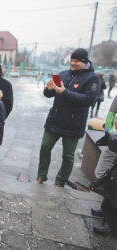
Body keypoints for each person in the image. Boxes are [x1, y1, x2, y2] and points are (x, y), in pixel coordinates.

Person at [35, 48, 100, 187]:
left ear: (85, 62)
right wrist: (49, 88)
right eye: (72, 60)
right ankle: (41, 175)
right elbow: (48, 94)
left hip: (73, 124)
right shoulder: (63, 74)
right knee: (45, 147)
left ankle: (60, 180)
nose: (73, 63)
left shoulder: (92, 78)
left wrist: (64, 92)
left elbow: (88, 99)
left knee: (68, 156)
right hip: (55, 120)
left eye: (76, 61)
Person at [91, 97, 117, 236]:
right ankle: (108, 206)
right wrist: (108, 131)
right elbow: (112, 113)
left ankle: (111, 219)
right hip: (113, 140)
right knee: (101, 173)